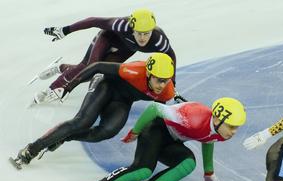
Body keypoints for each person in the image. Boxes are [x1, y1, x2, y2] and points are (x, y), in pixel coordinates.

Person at [63, 97, 247, 181]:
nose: (234, 131)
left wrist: (208, 172)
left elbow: (208, 139)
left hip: (172, 142)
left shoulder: (221, 132)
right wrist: (135, 132)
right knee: (143, 170)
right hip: (155, 130)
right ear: (217, 119)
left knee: (188, 164)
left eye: (237, 127)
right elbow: (154, 109)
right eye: (232, 126)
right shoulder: (193, 116)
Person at [14, 53, 176, 167]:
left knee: (106, 132)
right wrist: (68, 87)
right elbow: (97, 66)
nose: (162, 85)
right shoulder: (134, 70)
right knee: (82, 122)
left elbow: (159, 114)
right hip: (105, 85)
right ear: (148, 73)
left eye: (166, 80)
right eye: (159, 80)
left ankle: (64, 137)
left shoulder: (167, 91)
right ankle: (32, 149)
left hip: (122, 101)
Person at [33, 8, 176, 104]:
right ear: (132, 29)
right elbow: (94, 21)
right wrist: (65, 30)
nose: (143, 38)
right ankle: (51, 89)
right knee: (89, 66)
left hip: (126, 49)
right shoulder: (121, 25)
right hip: (107, 38)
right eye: (139, 33)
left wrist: (173, 83)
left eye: (147, 33)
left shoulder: (159, 41)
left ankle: (60, 67)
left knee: (94, 73)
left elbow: (171, 56)